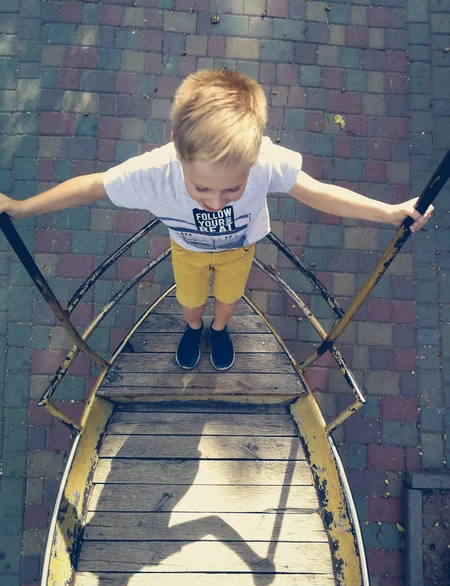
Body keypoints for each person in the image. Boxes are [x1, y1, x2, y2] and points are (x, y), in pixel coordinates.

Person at [0, 69, 433, 371]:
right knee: (190, 303)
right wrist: (20, 207)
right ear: (177, 148)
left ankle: (220, 330)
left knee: (228, 300)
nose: (215, 201)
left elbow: (318, 193)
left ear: (256, 154)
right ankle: (194, 330)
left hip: (239, 251)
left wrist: (389, 212)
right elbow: (92, 186)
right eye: (203, 188)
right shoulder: (155, 172)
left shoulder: (264, 160)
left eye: (231, 189)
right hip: (186, 251)